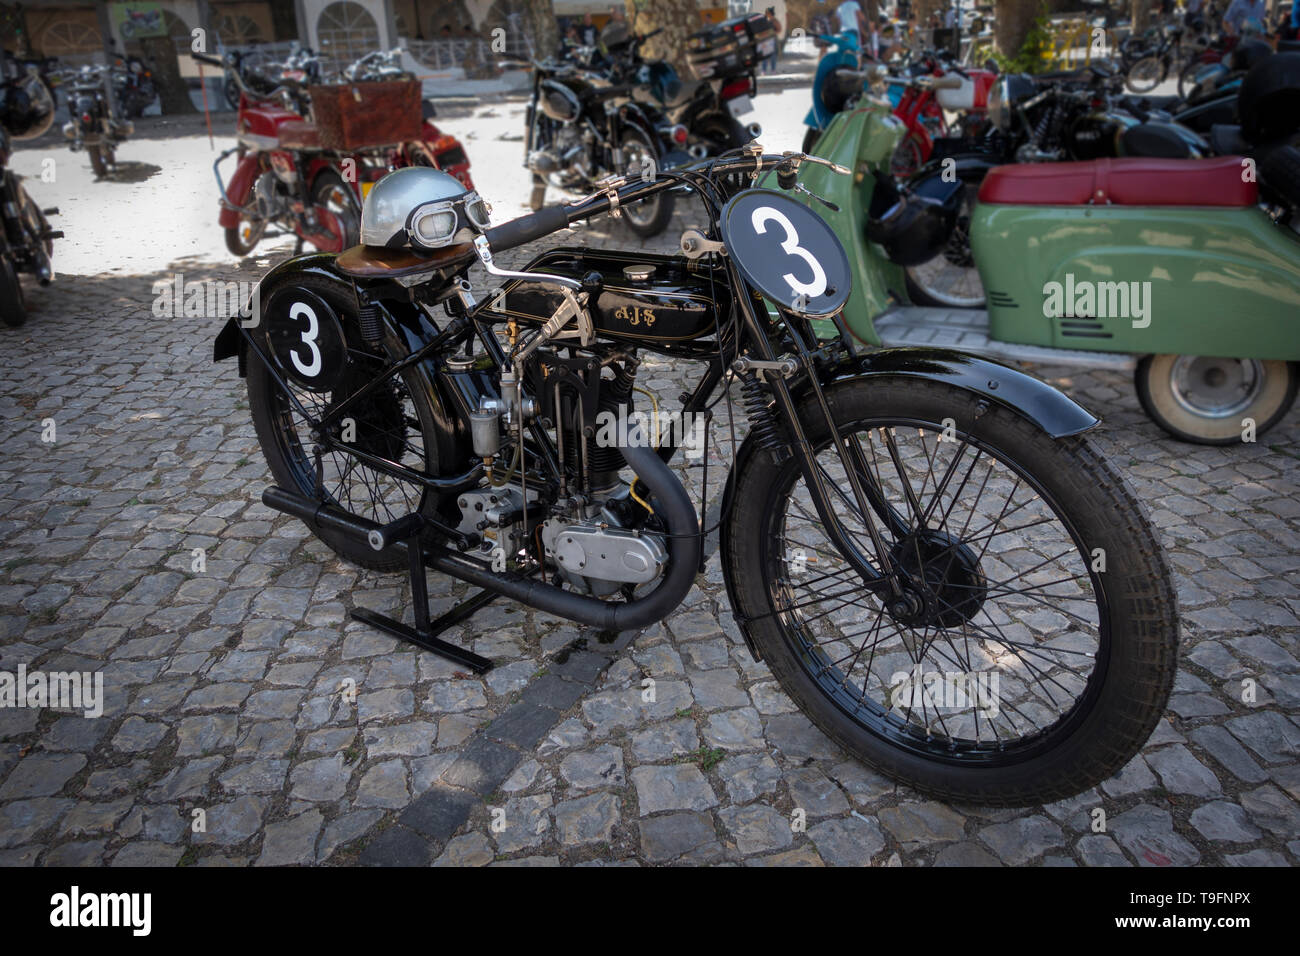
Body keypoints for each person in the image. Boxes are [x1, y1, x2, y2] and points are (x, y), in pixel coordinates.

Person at [764, 7, 782, 74]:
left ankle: (773, 69)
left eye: (768, 13)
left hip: (772, 39)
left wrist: (772, 33)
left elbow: (779, 29)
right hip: (765, 40)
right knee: (765, 56)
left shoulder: (774, 21)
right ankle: (764, 70)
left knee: (773, 55)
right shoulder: (765, 20)